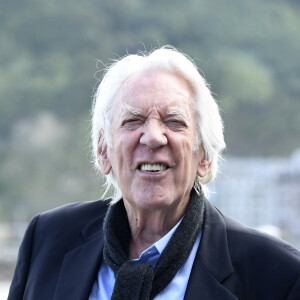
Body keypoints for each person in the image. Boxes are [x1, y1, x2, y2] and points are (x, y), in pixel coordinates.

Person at [8, 46, 300, 300]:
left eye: (174, 122)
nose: (152, 137)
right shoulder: (48, 240)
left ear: (205, 157)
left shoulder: (278, 275)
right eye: (133, 121)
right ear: (103, 151)